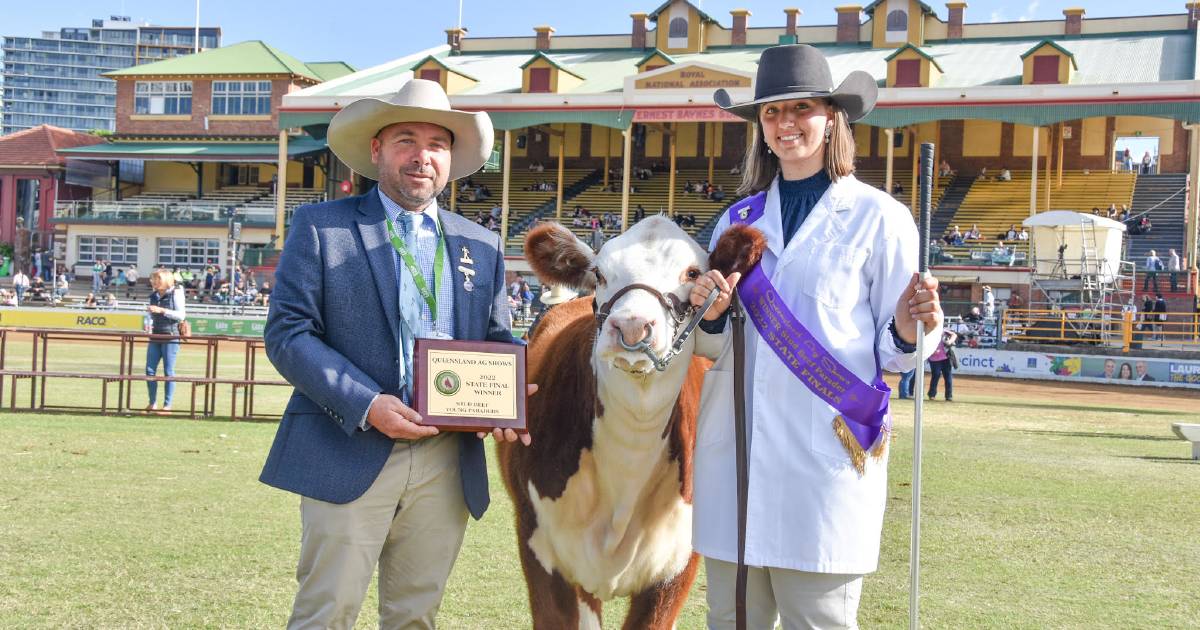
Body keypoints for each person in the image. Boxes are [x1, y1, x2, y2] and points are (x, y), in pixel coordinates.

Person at [258, 79, 534, 629]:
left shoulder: (480, 243)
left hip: (446, 458)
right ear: (377, 149)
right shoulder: (323, 227)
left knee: (415, 617)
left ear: (450, 160)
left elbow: (497, 341)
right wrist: (367, 403)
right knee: (326, 613)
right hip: (349, 443)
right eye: (406, 139)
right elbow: (288, 334)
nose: (422, 155)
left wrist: (511, 399)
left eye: (437, 143)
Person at [692, 44, 943, 629]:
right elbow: (709, 348)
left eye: (800, 108)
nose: (785, 124)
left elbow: (899, 351)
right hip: (736, 461)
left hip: (825, 462)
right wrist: (708, 316)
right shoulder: (736, 222)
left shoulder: (881, 218)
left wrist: (910, 325)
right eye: (772, 112)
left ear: (833, 117)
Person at [144, 269, 186, 413]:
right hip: (155, 335)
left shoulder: (176, 293)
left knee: (168, 371)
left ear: (166, 280)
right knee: (149, 370)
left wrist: (162, 310)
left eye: (157, 279)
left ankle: (167, 405)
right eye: (153, 279)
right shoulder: (154, 295)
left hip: (170, 336)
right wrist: (147, 321)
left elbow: (181, 316)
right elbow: (149, 314)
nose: (154, 282)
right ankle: (152, 403)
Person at [927, 329, 958, 401]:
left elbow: (954, 335)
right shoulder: (928, 333)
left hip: (946, 358)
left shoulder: (943, 331)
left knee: (948, 377)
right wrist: (932, 351)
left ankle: (949, 396)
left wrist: (949, 341)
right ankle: (932, 394)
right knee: (936, 376)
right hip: (934, 359)